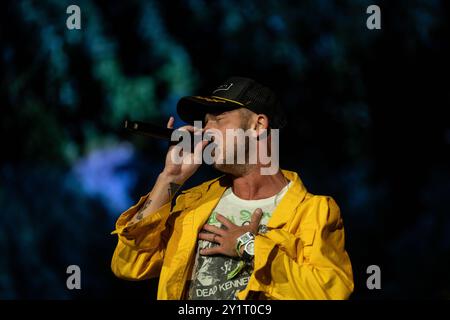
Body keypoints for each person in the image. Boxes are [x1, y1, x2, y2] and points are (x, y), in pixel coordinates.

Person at [111, 76, 354, 300]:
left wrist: (248, 245)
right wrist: (169, 178)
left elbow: (330, 292)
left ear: (258, 126)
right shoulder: (192, 204)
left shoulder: (314, 212)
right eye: (205, 122)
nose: (206, 130)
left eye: (219, 119)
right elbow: (130, 264)